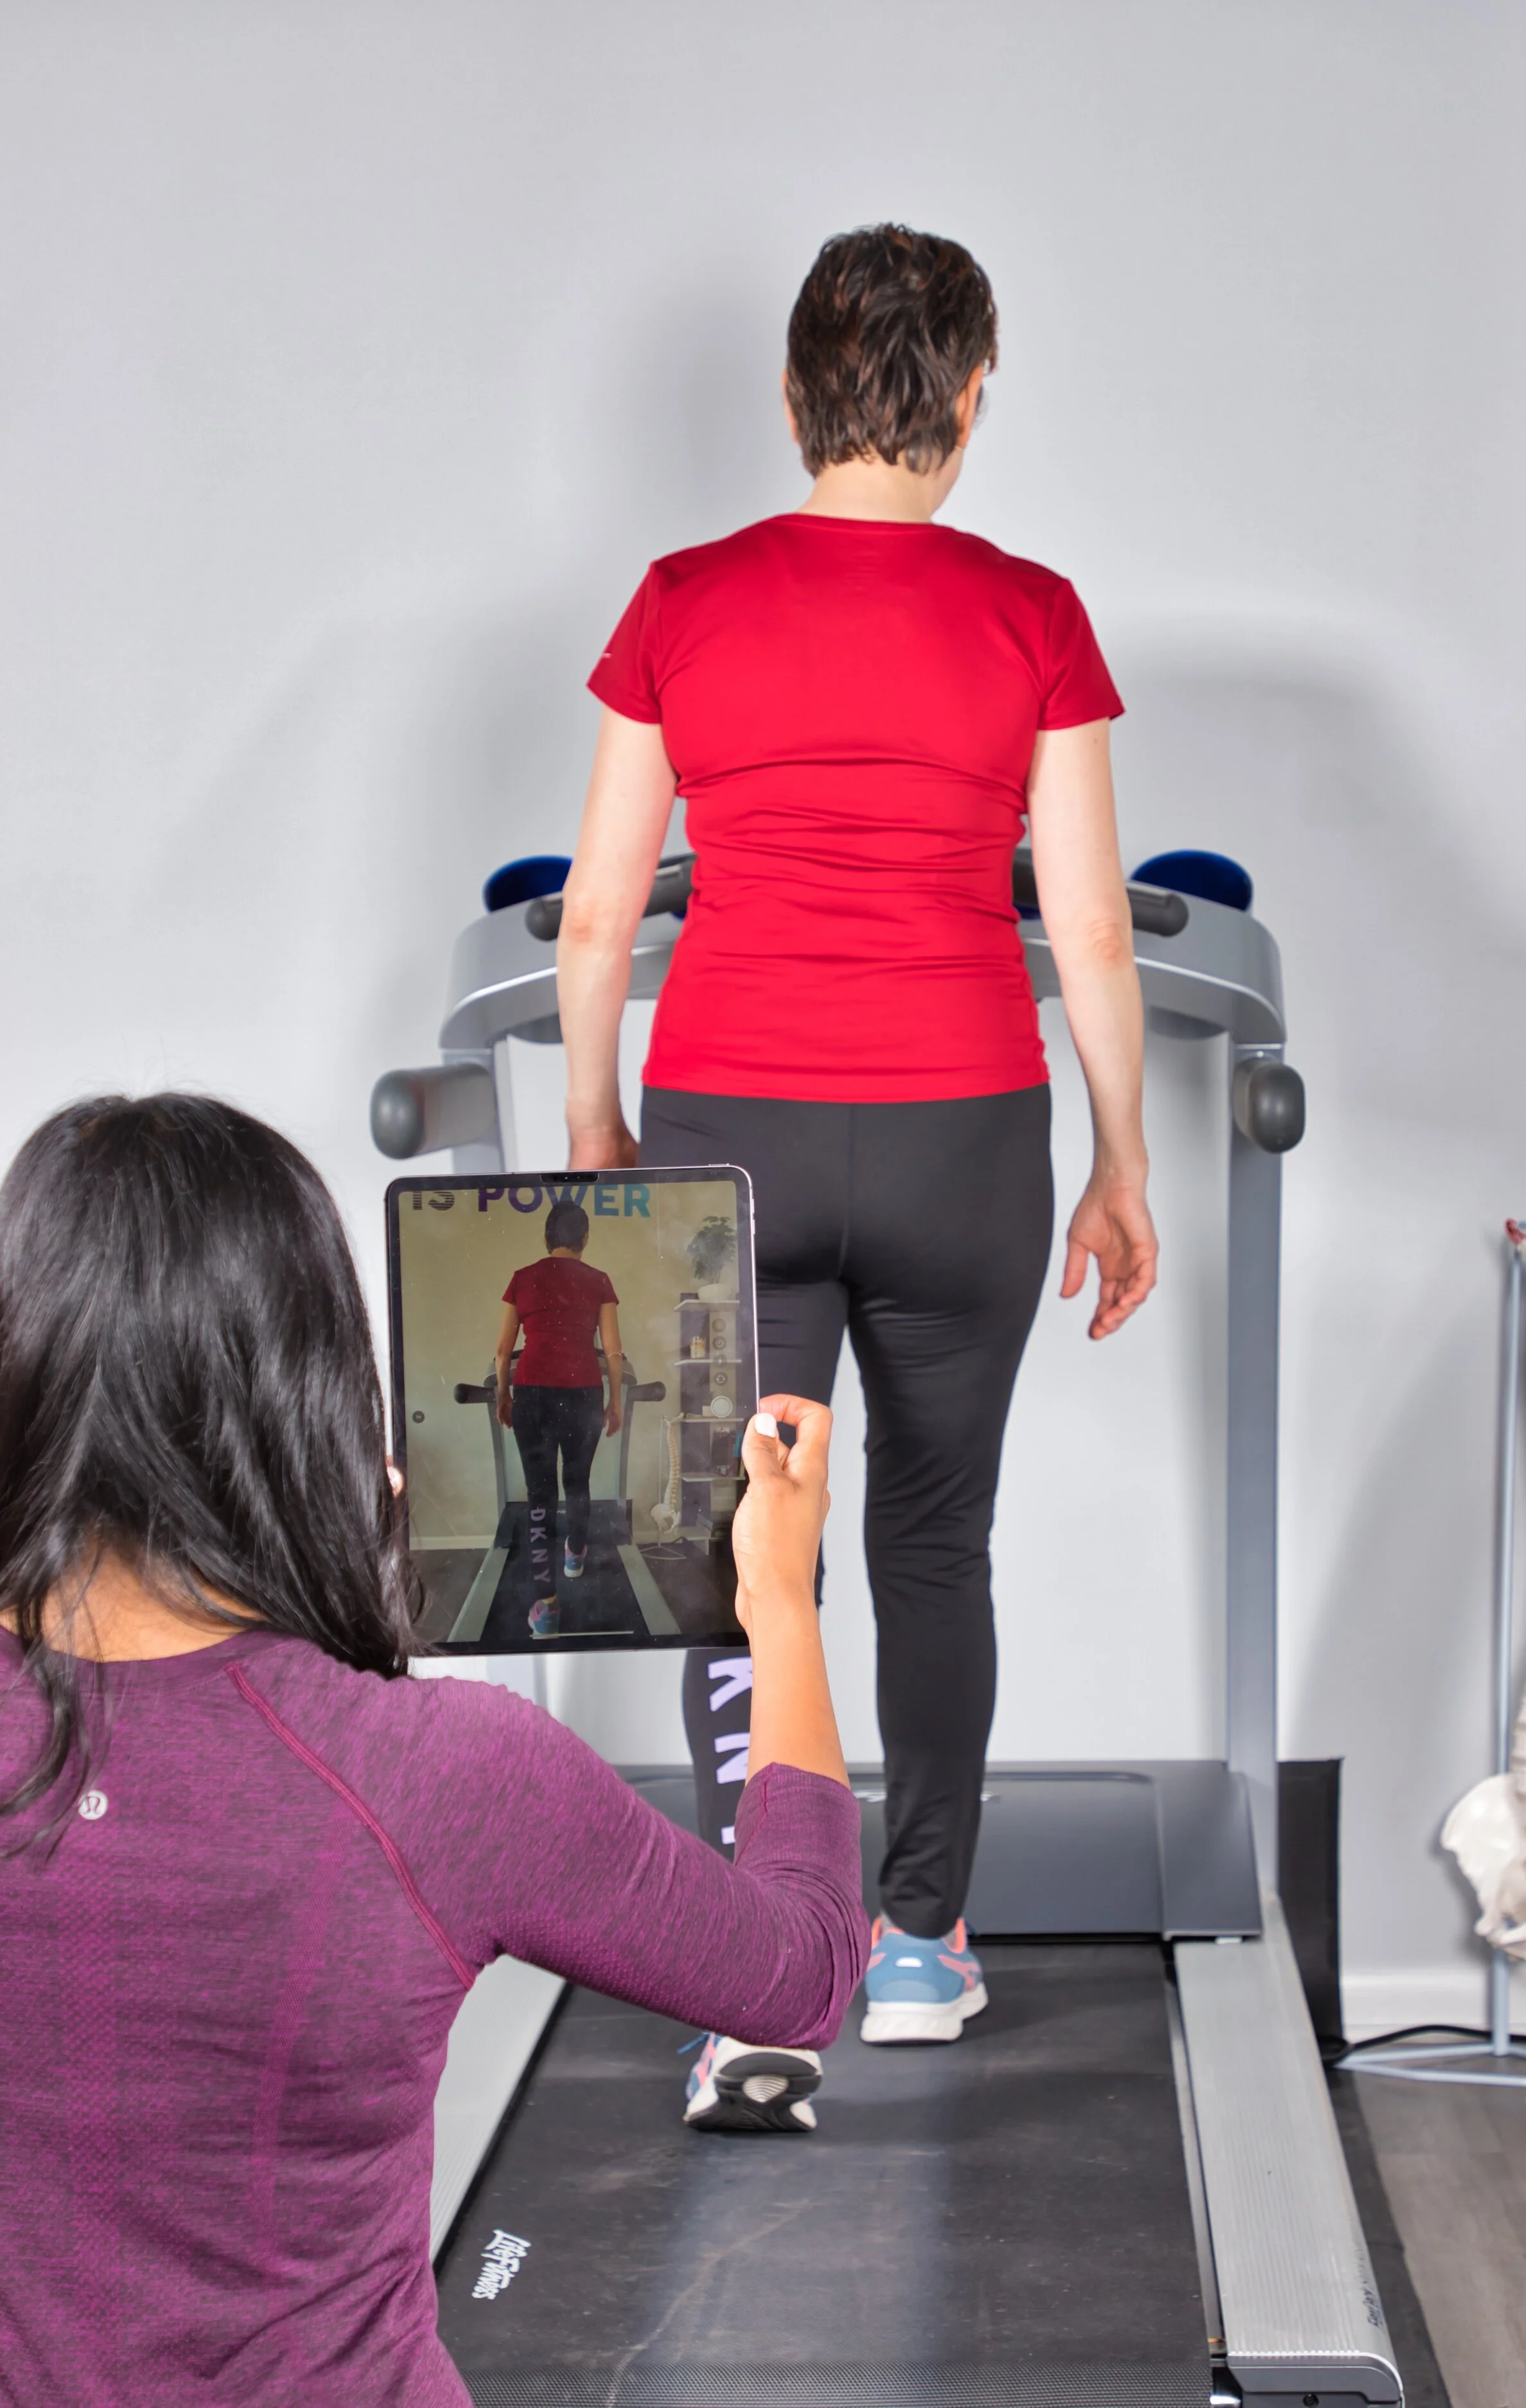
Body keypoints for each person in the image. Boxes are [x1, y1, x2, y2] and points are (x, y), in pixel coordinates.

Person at [0, 1094, 866, 2408]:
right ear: (309, 1384)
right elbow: (798, 1970)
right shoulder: (446, 1772)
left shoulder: (410, 1763)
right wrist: (781, 1607)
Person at [557, 226, 1157, 2088]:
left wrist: (596, 1134)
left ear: (795, 394)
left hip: (729, 1128)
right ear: (969, 395)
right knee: (929, 1547)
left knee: (751, 1551)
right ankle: (913, 1945)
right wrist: (1120, 1163)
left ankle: (759, 1956)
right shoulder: (1032, 609)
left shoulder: (679, 596)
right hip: (963, 1133)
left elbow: (593, 922)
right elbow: (1090, 935)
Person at [495, 1198, 624, 1634]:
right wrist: (615, 1402)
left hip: (530, 1392)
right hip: (584, 1391)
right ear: (584, 1238)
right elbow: (612, 1351)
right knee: (577, 1481)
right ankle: (575, 1552)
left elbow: (501, 1351)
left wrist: (502, 1395)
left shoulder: (522, 1279)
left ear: (546, 1238)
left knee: (540, 1494)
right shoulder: (599, 1281)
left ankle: (546, 1606)